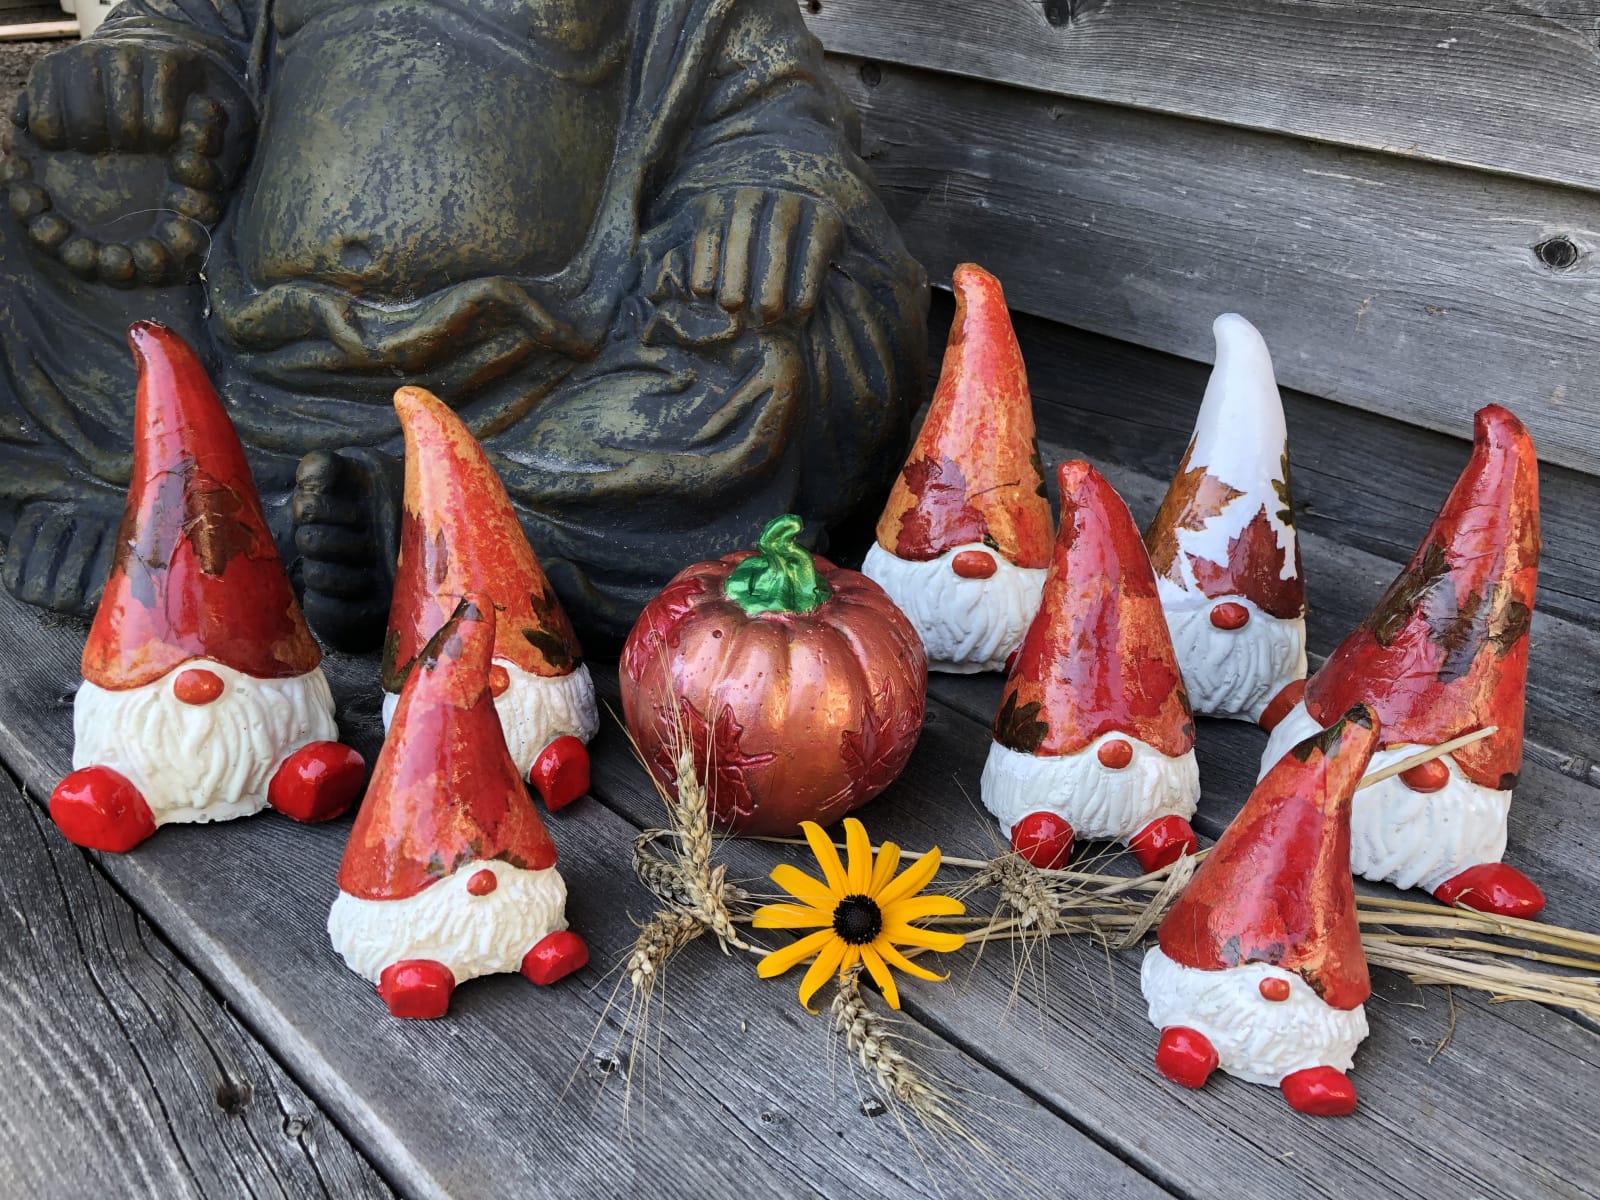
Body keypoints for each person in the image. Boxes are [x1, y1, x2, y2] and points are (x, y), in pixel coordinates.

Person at [0, 0, 928, 648]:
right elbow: (187, 24)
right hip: (253, 363)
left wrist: (762, 180)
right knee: (56, 195)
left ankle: (410, 539)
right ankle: (155, 503)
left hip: (551, 381)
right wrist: (135, 68)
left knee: (788, 329)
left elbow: (768, 99)